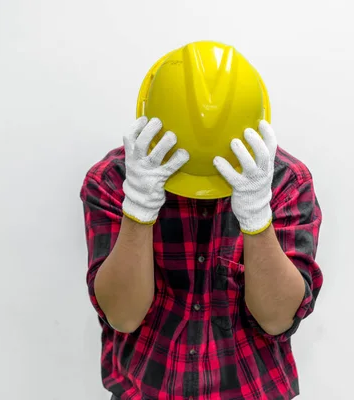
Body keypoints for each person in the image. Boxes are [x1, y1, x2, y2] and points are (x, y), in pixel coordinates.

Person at [80, 42, 323, 399]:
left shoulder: (287, 181)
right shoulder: (113, 180)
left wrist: (257, 217)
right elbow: (122, 316)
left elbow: (276, 319)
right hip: (146, 390)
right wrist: (139, 208)